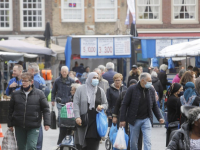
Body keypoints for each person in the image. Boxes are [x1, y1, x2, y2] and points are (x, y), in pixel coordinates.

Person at [120, 73, 164, 150]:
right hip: (134, 119)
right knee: (133, 142)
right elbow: (124, 104)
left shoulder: (151, 89)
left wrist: (159, 117)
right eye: (149, 81)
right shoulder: (132, 89)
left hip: (146, 119)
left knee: (148, 141)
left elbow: (154, 105)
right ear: (143, 81)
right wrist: (122, 119)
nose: (151, 82)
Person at [7, 72, 50, 150]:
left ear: (31, 82)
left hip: (34, 125)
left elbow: (46, 109)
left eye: (26, 81)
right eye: (22, 81)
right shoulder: (16, 94)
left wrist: (47, 123)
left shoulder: (39, 94)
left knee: (31, 146)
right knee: (21, 147)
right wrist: (10, 123)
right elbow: (11, 109)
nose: (23, 83)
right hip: (19, 125)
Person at [73, 72, 108, 150]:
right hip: (83, 121)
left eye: (97, 78)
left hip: (95, 122)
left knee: (93, 145)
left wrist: (102, 106)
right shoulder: (80, 89)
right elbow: (76, 104)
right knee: (82, 145)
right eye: (94, 78)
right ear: (89, 78)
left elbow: (106, 104)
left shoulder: (100, 90)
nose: (96, 79)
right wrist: (77, 117)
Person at [112, 79, 140, 150]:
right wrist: (114, 116)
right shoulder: (123, 94)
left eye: (134, 85)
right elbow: (117, 105)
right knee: (124, 135)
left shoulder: (139, 93)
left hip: (135, 118)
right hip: (124, 117)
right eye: (131, 85)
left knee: (135, 136)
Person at [27, 63, 47, 150]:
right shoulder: (42, 79)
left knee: (35, 129)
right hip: (40, 107)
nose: (27, 72)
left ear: (32, 70)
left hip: (34, 108)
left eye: (28, 70)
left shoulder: (34, 81)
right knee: (39, 127)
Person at [57, 83, 81, 150]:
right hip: (68, 119)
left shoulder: (80, 98)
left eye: (72, 90)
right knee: (62, 126)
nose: (71, 91)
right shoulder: (70, 98)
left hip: (76, 119)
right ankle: (60, 142)